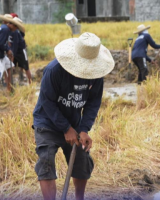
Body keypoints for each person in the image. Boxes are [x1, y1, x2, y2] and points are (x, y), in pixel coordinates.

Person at [33, 32, 115, 200]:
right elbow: (47, 102)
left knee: (82, 160)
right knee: (46, 160)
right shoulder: (54, 70)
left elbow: (93, 104)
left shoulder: (96, 75)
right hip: (47, 122)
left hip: (74, 122)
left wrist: (83, 130)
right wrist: (66, 128)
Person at [0, 14, 21, 92]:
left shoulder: (5, 28)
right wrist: (7, 50)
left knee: (10, 66)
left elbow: (4, 43)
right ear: (12, 25)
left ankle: (9, 88)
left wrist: (8, 49)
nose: (16, 29)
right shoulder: (5, 29)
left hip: (2, 54)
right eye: (16, 27)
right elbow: (1, 43)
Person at [10, 13, 31, 84]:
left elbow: (15, 44)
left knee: (25, 67)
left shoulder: (16, 32)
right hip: (15, 51)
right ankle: (16, 81)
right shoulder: (14, 31)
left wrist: (12, 55)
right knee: (12, 67)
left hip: (20, 51)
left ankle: (30, 82)